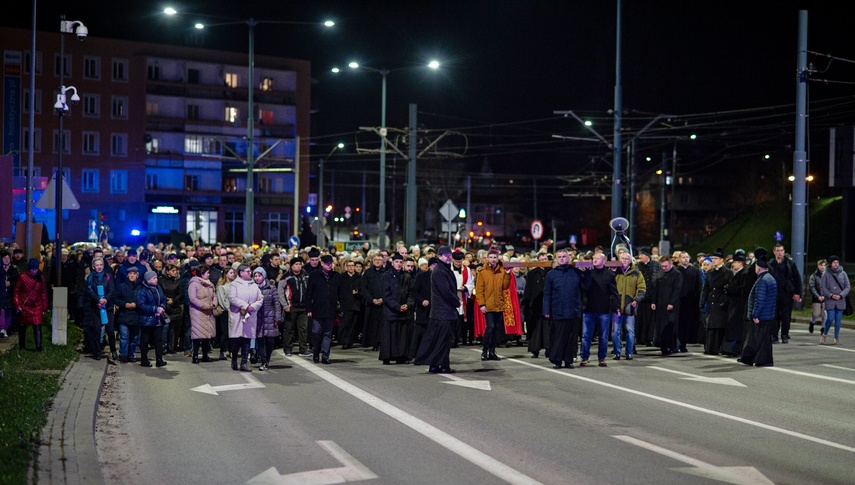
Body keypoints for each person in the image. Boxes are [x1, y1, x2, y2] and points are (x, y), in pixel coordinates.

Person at [414, 247, 459, 373]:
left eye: (450, 255)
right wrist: (456, 302)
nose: (449, 257)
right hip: (443, 312)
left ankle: (436, 365)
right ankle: (443, 366)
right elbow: (445, 292)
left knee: (440, 340)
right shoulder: (440, 271)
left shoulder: (443, 269)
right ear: (439, 256)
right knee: (443, 341)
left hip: (442, 312)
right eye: (446, 255)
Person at [543, 250, 585, 369]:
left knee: (571, 338)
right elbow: (547, 293)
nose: (562, 259)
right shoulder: (551, 274)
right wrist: (546, 310)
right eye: (559, 257)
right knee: (559, 337)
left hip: (573, 311)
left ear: (569, 258)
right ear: (556, 259)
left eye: (564, 257)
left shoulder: (576, 272)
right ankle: (557, 360)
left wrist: (588, 272)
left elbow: (585, 287)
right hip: (558, 311)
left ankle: (568, 360)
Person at [306, 255, 347, 364]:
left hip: (330, 309)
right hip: (317, 309)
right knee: (316, 332)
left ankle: (325, 355)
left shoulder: (337, 277)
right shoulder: (314, 276)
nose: (329, 266)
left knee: (328, 334)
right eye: (327, 263)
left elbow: (341, 294)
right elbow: (308, 293)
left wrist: (342, 308)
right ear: (322, 264)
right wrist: (309, 308)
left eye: (331, 263)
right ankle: (316, 351)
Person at [580, 252, 619, 367]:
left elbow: (614, 292)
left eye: (598, 258)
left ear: (604, 261)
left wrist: (617, 306)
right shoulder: (588, 273)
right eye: (594, 258)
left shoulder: (609, 275)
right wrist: (587, 272)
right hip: (589, 309)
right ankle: (584, 357)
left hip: (604, 310)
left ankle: (602, 358)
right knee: (586, 335)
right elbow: (585, 288)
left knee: (603, 336)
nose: (595, 260)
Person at [740, 255, 776, 366]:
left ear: (759, 268)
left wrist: (755, 315)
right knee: (765, 341)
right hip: (768, 315)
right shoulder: (771, 278)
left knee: (754, 339)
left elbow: (759, 299)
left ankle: (749, 358)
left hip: (761, 316)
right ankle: (763, 360)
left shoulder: (762, 280)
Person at [475, 249, 511, 361]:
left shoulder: (501, 271)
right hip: (488, 305)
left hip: (499, 304)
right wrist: (482, 304)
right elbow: (479, 290)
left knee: (496, 329)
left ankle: (492, 351)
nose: (493, 259)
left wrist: (508, 274)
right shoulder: (482, 272)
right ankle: (484, 350)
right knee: (490, 327)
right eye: (491, 257)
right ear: (487, 258)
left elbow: (505, 286)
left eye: (495, 257)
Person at [379, 253, 414, 365]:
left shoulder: (407, 277)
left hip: (404, 311)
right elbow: (386, 295)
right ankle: (387, 356)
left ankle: (401, 356)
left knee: (402, 335)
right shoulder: (386, 276)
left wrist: (408, 305)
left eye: (400, 262)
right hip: (391, 311)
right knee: (389, 335)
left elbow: (411, 293)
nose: (399, 264)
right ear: (392, 262)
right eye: (396, 262)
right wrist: (397, 306)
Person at [228, 264, 263, 371]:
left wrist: (252, 306)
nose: (250, 273)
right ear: (241, 273)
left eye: (250, 271)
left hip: (250, 315)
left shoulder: (254, 285)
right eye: (247, 271)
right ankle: (234, 359)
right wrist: (245, 305)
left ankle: (244, 362)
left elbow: (260, 298)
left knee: (247, 339)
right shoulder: (235, 284)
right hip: (238, 314)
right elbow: (232, 298)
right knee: (236, 339)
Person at [613, 251, 646, 360]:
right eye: (622, 259)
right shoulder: (614, 272)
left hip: (630, 306)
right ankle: (617, 352)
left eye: (627, 259)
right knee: (615, 332)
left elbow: (642, 288)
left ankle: (629, 352)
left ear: (631, 260)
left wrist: (636, 300)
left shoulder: (637, 273)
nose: (625, 261)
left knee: (630, 331)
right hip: (616, 306)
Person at [767, 243, 802, 343]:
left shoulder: (790, 263)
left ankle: (785, 335)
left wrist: (798, 293)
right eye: (777, 251)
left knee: (786, 315)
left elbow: (797, 278)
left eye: (781, 250)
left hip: (787, 293)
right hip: (774, 293)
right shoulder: (770, 264)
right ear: (774, 252)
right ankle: (774, 335)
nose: (780, 253)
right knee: (774, 316)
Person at [699, 248, 731, 355]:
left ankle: (719, 348)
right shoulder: (710, 272)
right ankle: (710, 348)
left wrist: (724, 302)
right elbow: (706, 288)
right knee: (711, 325)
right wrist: (702, 301)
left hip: (721, 302)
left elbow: (729, 289)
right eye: (712, 258)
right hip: (711, 301)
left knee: (719, 326)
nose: (713, 260)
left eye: (716, 258)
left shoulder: (727, 273)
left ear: (722, 260)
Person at [84, 257, 117, 361]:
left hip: (108, 307)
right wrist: (98, 300)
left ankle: (113, 351)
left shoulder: (108, 276)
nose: (99, 267)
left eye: (101, 265)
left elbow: (112, 290)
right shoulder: (91, 277)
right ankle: (97, 352)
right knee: (97, 331)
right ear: (93, 266)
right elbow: (89, 291)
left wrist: (105, 300)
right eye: (97, 265)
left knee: (110, 330)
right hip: (96, 307)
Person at [650, 255, 683, 356]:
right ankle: (663, 346)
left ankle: (672, 346)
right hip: (660, 304)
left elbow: (677, 290)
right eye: (662, 266)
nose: (664, 268)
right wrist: (653, 302)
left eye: (666, 266)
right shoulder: (660, 273)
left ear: (671, 264)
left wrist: (671, 303)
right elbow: (655, 289)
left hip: (671, 304)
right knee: (661, 326)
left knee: (671, 325)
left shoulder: (677, 274)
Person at [13, 258, 48, 351]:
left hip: (36, 305)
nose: (34, 271)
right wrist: (18, 305)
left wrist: (44, 307)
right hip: (24, 306)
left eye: (35, 269)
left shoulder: (40, 277)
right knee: (22, 327)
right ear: (29, 268)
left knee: (37, 326)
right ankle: (22, 346)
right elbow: (16, 291)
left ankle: (39, 347)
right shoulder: (22, 277)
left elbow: (43, 293)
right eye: (32, 269)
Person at [279, 257, 311, 357]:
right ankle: (288, 349)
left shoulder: (306, 275)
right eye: (296, 264)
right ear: (292, 265)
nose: (299, 266)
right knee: (289, 329)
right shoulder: (286, 277)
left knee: (303, 329)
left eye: (300, 264)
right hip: (291, 307)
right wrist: (285, 305)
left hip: (303, 307)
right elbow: (280, 292)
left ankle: (303, 349)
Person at [721, 253, 751, 357]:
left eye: (735, 262)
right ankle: (731, 348)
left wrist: (729, 289)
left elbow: (742, 289)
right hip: (735, 304)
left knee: (736, 328)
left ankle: (734, 349)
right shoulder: (740, 273)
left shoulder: (744, 274)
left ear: (740, 263)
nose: (733, 264)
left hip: (739, 304)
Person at [137, 270, 169, 368]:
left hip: (158, 319)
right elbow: (142, 305)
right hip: (147, 319)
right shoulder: (142, 291)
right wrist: (155, 309)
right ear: (148, 280)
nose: (156, 279)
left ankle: (159, 359)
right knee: (145, 340)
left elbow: (163, 298)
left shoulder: (158, 288)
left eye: (156, 277)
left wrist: (163, 306)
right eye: (154, 278)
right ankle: (144, 359)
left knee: (158, 340)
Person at [110, 265, 141, 362]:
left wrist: (136, 304)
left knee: (134, 338)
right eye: (130, 274)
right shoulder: (121, 286)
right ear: (127, 275)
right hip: (124, 315)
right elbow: (114, 298)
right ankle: (123, 355)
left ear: (137, 275)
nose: (132, 276)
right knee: (124, 337)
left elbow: (144, 299)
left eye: (134, 274)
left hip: (136, 316)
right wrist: (124, 304)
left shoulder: (141, 287)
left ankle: (131, 355)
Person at [188, 264, 218, 364]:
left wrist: (214, 303)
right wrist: (204, 305)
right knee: (197, 335)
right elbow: (193, 299)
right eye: (207, 273)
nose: (209, 274)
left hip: (208, 312)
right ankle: (195, 355)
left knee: (207, 335)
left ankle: (205, 355)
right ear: (202, 273)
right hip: (198, 312)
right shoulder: (194, 284)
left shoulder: (209, 284)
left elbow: (214, 295)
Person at [523, 252, 550, 358]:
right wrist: (526, 304)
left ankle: (549, 348)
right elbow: (528, 290)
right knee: (536, 329)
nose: (544, 261)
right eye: (541, 259)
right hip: (535, 305)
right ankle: (535, 349)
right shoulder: (532, 274)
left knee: (548, 328)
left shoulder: (551, 272)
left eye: (545, 258)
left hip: (548, 305)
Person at [253, 267, 281, 371]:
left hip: (270, 317)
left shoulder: (271, 288)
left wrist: (277, 317)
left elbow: (277, 303)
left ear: (263, 276)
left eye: (259, 276)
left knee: (270, 341)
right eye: (255, 276)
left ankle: (267, 358)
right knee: (260, 340)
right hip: (257, 317)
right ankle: (263, 360)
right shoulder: (253, 288)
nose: (257, 278)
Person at [676, 251, 702, 351]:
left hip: (691, 301)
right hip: (679, 301)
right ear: (679, 259)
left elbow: (699, 286)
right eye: (683, 257)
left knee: (688, 323)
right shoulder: (677, 271)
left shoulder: (695, 271)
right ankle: (680, 343)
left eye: (687, 257)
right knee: (680, 323)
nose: (685, 259)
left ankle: (686, 342)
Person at [820, 255, 850, 345]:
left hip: (840, 300)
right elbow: (823, 286)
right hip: (830, 300)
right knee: (830, 318)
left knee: (838, 319)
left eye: (837, 262)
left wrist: (841, 295)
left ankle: (836, 337)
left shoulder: (843, 273)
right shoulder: (826, 274)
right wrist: (830, 295)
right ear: (831, 263)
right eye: (834, 262)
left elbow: (847, 286)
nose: (836, 264)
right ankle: (824, 334)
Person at [410, 257, 435, 361]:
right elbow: (415, 291)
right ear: (430, 266)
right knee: (419, 333)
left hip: (435, 310)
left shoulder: (440, 277)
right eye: (434, 265)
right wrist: (422, 300)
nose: (435, 267)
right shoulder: (421, 277)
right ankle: (415, 355)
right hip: (423, 310)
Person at [635, 247, 661, 347]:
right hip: (641, 296)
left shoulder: (656, 265)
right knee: (640, 318)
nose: (640, 256)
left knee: (650, 319)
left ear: (646, 255)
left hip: (652, 296)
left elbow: (657, 280)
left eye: (641, 254)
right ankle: (640, 338)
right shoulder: (637, 266)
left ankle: (649, 338)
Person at [360, 252, 386, 350]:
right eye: (376, 260)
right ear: (372, 261)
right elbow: (364, 288)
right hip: (371, 303)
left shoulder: (386, 272)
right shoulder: (368, 273)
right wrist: (372, 299)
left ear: (383, 261)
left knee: (381, 325)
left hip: (383, 303)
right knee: (371, 325)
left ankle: (380, 343)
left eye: (379, 260)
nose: (378, 262)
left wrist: (383, 299)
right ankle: (372, 343)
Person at [159, 263, 183, 355]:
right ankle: (163, 346)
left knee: (172, 328)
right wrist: (166, 300)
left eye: (176, 270)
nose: (175, 272)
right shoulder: (161, 280)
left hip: (174, 306)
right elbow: (160, 291)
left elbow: (180, 293)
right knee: (165, 327)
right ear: (168, 272)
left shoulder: (178, 281)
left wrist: (173, 300)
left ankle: (170, 346)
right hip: (165, 306)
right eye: (173, 271)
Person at [216, 266, 237, 360]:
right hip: (226, 311)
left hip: (234, 311)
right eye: (231, 273)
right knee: (225, 332)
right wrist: (229, 309)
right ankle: (223, 351)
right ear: (226, 274)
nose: (233, 274)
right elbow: (222, 300)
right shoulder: (221, 286)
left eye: (233, 273)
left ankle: (232, 350)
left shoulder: (235, 285)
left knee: (233, 332)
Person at [808, 259, 827, 334]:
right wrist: (817, 296)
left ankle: (823, 328)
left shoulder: (828, 276)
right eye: (821, 265)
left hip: (826, 298)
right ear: (818, 266)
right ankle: (812, 322)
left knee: (825, 314)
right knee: (816, 314)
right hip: (817, 298)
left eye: (824, 265)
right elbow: (812, 287)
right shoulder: (814, 276)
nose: (822, 267)